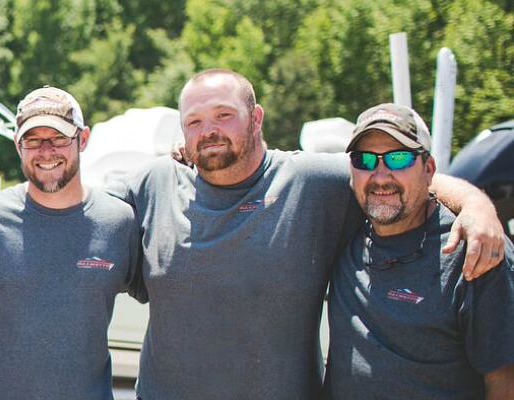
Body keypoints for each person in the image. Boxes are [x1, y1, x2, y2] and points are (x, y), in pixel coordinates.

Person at [110, 68, 507, 399]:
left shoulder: (313, 182)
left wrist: (476, 207)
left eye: (223, 115)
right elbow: (79, 215)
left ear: (256, 117)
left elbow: (400, 181)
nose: (209, 130)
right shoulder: (154, 183)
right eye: (195, 122)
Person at [0, 86, 141, 399]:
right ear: (18, 145)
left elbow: (168, 298)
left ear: (82, 139)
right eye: (33, 139)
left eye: (58, 138)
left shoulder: (118, 222)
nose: (46, 150)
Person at [325, 103, 514, 399]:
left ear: (428, 169)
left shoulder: (474, 250)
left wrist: (476, 204)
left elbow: (505, 383)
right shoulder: (341, 228)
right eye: (365, 159)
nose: (381, 175)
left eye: (398, 158)